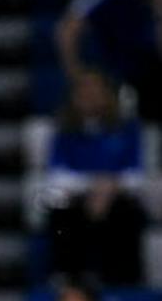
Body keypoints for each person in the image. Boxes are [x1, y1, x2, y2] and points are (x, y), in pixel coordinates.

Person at [44, 71, 147, 285]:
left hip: (117, 198)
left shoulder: (127, 128)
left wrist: (110, 187)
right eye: (83, 91)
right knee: (61, 211)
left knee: (127, 213)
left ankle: (124, 281)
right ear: (74, 96)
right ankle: (68, 279)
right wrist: (95, 186)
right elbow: (56, 175)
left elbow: (137, 175)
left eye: (95, 90)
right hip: (77, 199)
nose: (89, 96)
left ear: (107, 94)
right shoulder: (64, 130)